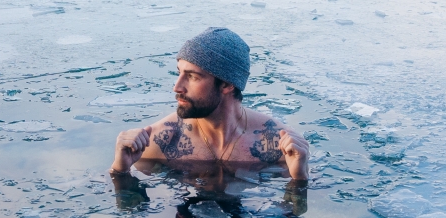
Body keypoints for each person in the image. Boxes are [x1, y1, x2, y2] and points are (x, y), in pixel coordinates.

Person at [109, 27, 310, 182]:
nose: (177, 87)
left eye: (192, 77)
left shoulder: (279, 144)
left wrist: (299, 177)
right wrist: (120, 169)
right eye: (178, 73)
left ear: (227, 84)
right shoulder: (159, 141)